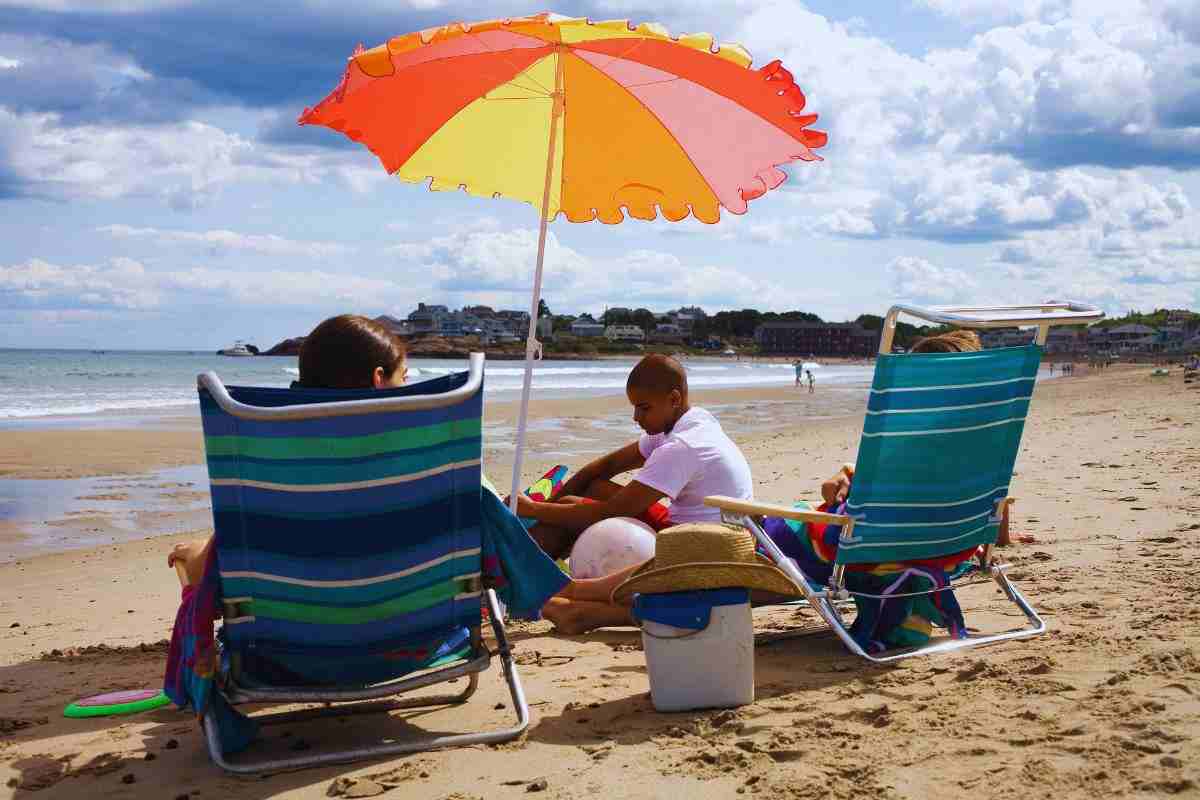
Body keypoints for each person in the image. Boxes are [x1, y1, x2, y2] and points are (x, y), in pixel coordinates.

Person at [167, 315, 408, 586]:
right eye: (403, 377)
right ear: (378, 378)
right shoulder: (414, 462)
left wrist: (198, 553)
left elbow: (208, 574)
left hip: (283, 623)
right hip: (419, 620)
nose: (406, 386)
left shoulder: (273, 461)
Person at [527, 354, 755, 634]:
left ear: (673, 399)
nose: (636, 418)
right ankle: (522, 566)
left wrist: (533, 510)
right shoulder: (689, 422)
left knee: (573, 508)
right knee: (589, 490)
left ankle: (517, 580)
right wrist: (542, 507)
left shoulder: (683, 445)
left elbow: (611, 512)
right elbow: (604, 467)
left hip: (705, 548)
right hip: (700, 530)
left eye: (643, 408)